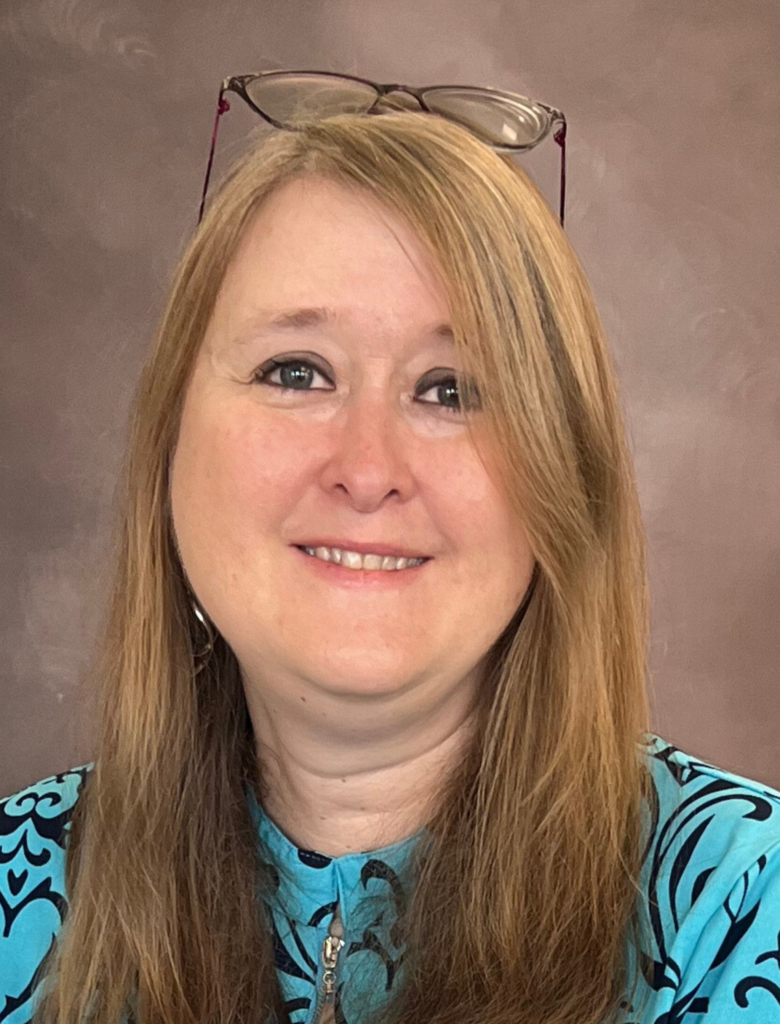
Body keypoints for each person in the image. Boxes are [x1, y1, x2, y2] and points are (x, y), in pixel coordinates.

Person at [2, 107, 780, 1024]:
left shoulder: (738, 908)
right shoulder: (20, 878)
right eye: (296, 372)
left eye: (452, 391)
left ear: (562, 479)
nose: (367, 471)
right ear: (169, 442)